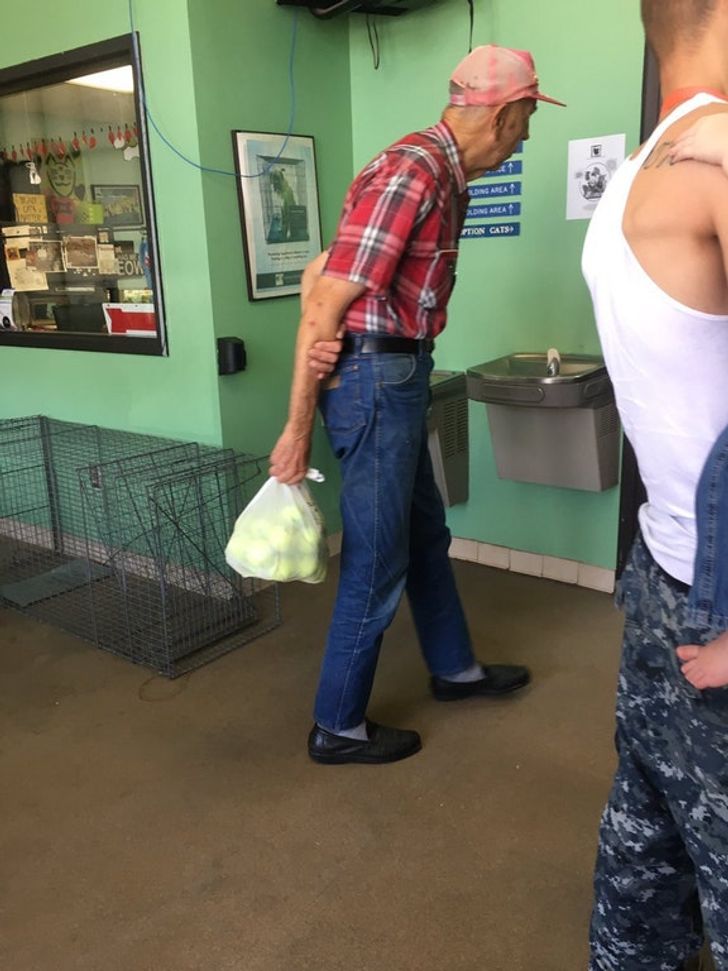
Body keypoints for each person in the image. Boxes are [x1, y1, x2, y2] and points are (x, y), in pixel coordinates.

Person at [269, 45, 565, 766]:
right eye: (525, 120)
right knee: (375, 560)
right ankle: (336, 726)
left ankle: (455, 669)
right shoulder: (414, 171)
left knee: (425, 536)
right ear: (500, 112)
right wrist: (296, 429)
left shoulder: (443, 175)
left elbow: (323, 269)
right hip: (375, 380)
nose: (525, 136)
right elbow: (325, 302)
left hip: (396, 373)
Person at [581, 1, 728, 967]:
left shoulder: (635, 175)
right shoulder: (715, 157)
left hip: (656, 581)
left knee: (645, 850)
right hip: (711, 614)